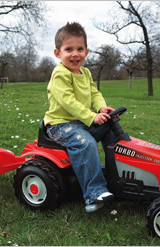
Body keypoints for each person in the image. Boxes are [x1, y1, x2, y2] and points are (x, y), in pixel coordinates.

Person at [43, 22, 115, 212]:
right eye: (69, 49)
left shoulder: (86, 73)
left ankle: (115, 178)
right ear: (57, 53)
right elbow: (68, 101)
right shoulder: (60, 74)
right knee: (85, 143)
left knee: (112, 131)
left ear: (86, 51)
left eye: (79, 49)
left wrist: (101, 108)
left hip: (81, 122)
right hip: (60, 126)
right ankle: (93, 194)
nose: (75, 54)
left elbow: (94, 93)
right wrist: (91, 117)